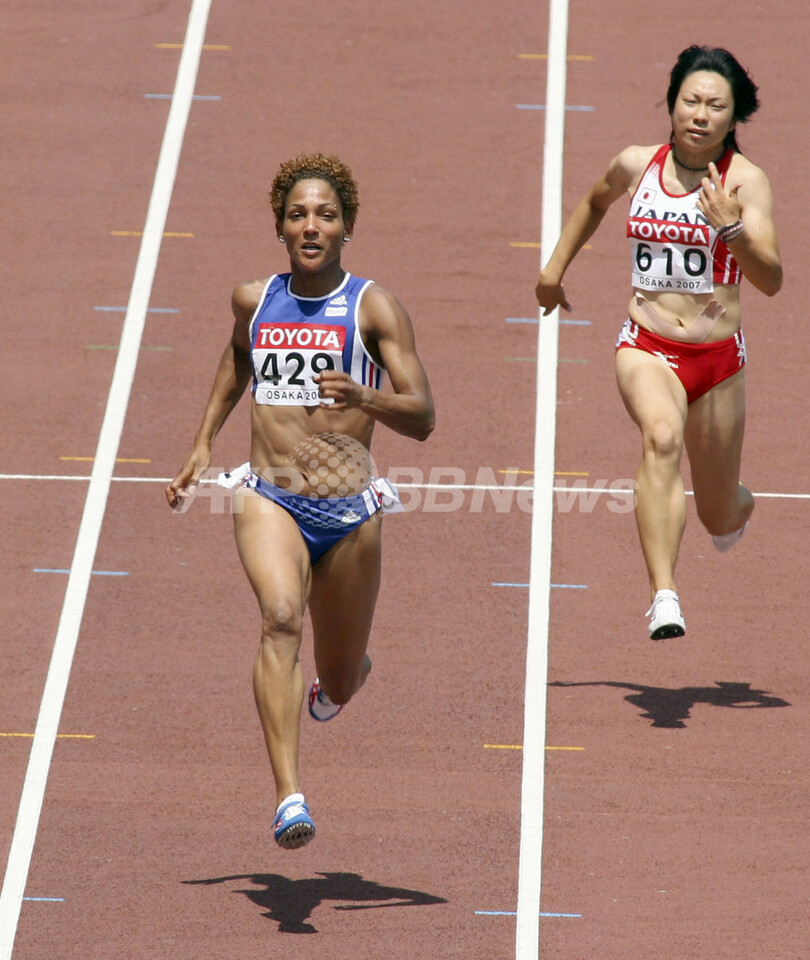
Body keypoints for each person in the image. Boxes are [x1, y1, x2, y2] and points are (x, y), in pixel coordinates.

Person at [165, 153, 435, 848]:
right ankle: (290, 797)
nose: (311, 225)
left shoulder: (373, 308)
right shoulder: (254, 300)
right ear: (280, 227)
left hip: (349, 512)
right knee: (281, 618)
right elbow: (239, 357)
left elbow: (424, 416)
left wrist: (365, 395)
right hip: (271, 497)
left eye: (325, 215)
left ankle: (338, 684)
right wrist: (203, 442)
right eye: (297, 215)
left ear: (347, 227)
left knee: (339, 678)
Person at [535, 46, 782, 640]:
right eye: (690, 101)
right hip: (646, 346)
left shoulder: (745, 182)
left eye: (715, 106)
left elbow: (771, 279)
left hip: (718, 363)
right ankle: (664, 596)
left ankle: (738, 506)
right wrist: (553, 271)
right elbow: (594, 201)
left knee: (718, 513)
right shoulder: (635, 164)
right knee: (662, 437)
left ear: (733, 116)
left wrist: (730, 227)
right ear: (671, 104)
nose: (700, 115)